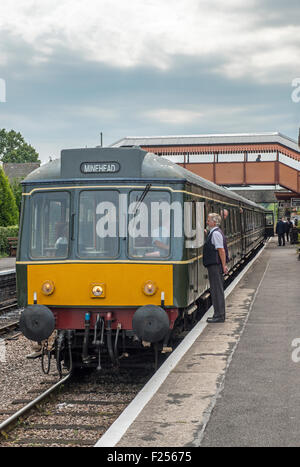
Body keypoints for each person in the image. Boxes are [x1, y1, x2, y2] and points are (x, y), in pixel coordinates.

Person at [203, 213, 229, 323]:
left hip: (215, 265)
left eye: (208, 220)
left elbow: (221, 250)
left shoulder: (216, 234)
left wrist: (223, 265)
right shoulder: (213, 233)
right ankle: (217, 314)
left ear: (214, 222)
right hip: (214, 265)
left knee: (217, 290)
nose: (207, 222)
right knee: (215, 290)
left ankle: (219, 315)